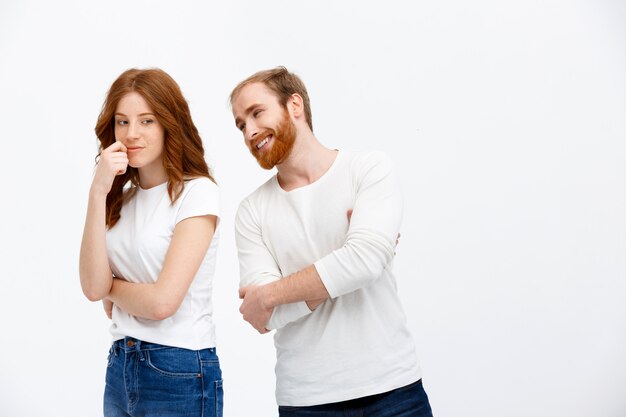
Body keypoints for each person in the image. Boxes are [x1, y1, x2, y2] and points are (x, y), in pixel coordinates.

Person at [230, 66, 433, 416]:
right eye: (240, 124)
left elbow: (363, 262)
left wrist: (272, 293)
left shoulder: (368, 169)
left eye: (256, 113)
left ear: (295, 105)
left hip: (393, 389)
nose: (249, 131)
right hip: (306, 400)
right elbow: (264, 317)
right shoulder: (251, 212)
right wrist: (352, 260)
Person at [79, 68, 223, 417]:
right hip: (120, 364)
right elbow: (90, 286)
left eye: (146, 121)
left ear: (167, 124)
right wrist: (98, 191)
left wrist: (111, 288)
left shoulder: (197, 193)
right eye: (122, 122)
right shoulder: (119, 199)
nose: (132, 134)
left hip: (179, 367)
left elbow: (162, 302)